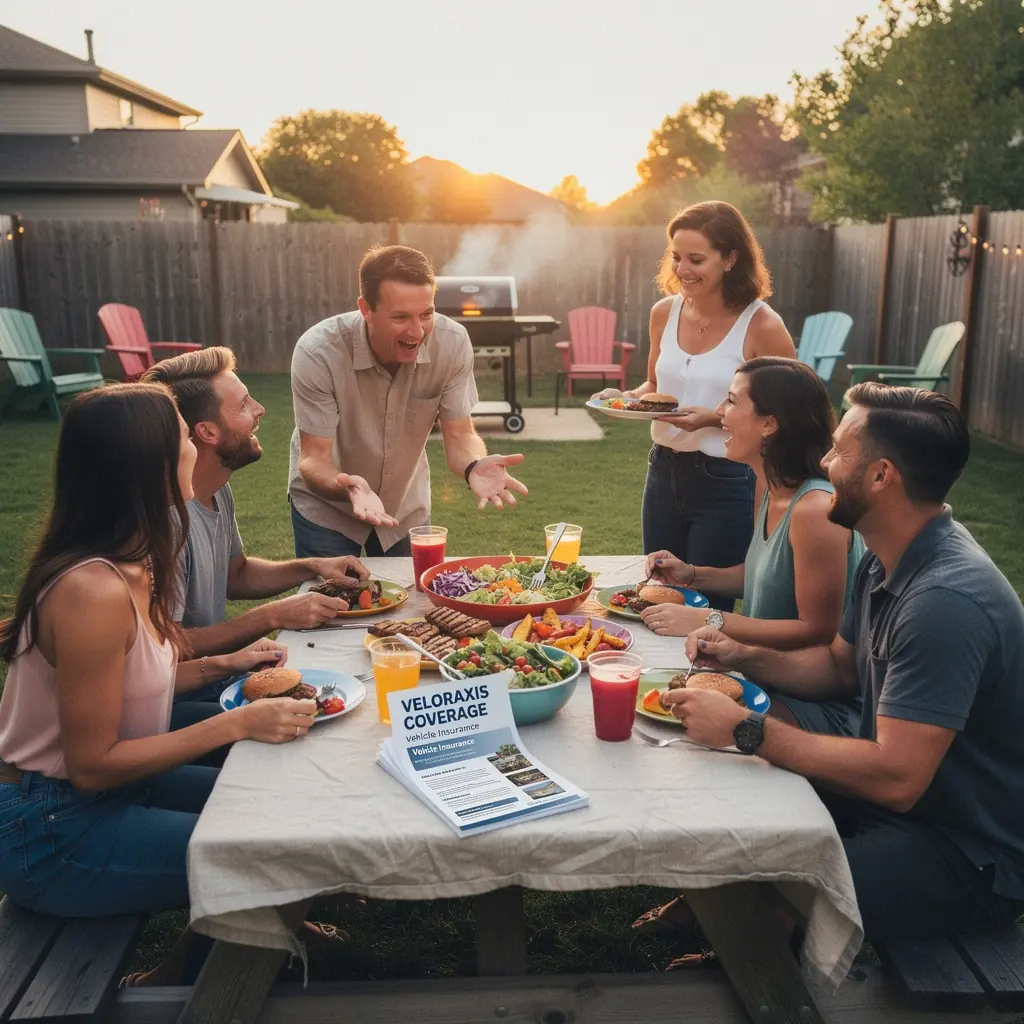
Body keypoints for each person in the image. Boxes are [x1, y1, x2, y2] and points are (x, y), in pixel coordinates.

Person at [665, 383, 1024, 943]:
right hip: (895, 808)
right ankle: (731, 916)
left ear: (881, 476)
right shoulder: (884, 554)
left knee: (775, 890)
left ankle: (755, 959)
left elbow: (898, 777)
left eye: (838, 451)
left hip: (965, 851)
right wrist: (739, 655)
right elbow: (838, 670)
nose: (824, 462)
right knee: (731, 799)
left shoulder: (945, 602)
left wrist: (745, 729)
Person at [0, 384, 315, 923]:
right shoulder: (91, 591)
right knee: (278, 850)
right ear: (147, 464)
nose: (195, 443)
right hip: (53, 827)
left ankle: (270, 923)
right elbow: (92, 766)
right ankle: (210, 978)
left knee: (285, 801)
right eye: (181, 435)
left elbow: (129, 683)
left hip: (113, 792)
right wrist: (238, 722)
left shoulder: (136, 559)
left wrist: (223, 665)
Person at [640, 357, 866, 733]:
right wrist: (692, 575)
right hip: (765, 679)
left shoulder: (813, 509)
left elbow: (817, 630)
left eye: (730, 401)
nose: (718, 412)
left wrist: (711, 619)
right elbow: (765, 574)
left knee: (675, 728)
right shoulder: (770, 485)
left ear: (769, 424)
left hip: (817, 703)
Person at [594, 202, 796, 609]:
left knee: (705, 606)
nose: (682, 269)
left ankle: (707, 675)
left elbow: (785, 418)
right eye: (676, 256)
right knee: (657, 595)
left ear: (731, 259)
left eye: (696, 259)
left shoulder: (762, 326)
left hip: (728, 482)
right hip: (663, 471)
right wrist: (625, 399)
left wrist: (714, 418)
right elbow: (655, 384)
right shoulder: (663, 313)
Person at [288, 244, 528, 559]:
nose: (417, 332)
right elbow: (313, 458)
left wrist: (472, 465)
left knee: (415, 603)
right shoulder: (318, 352)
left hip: (405, 508)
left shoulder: (452, 344)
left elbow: (460, 434)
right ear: (366, 309)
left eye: (426, 314)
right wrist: (351, 486)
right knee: (331, 605)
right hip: (328, 510)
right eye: (401, 317)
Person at [142, 347, 370, 660]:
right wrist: (271, 616)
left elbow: (236, 575)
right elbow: (168, 647)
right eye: (244, 404)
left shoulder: (217, 488)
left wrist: (313, 566)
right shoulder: (167, 522)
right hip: (185, 701)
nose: (260, 408)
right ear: (207, 432)